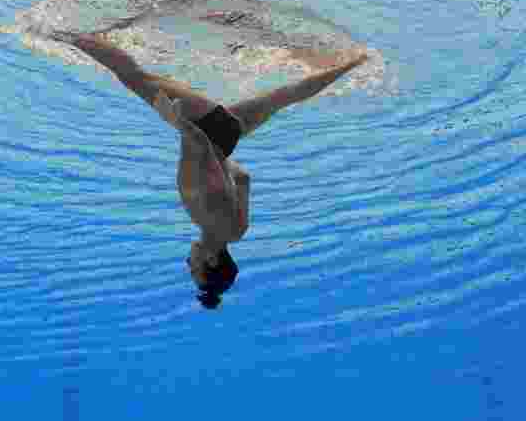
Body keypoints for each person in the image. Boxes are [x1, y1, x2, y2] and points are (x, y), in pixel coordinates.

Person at [50, 30, 369, 308]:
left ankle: (355, 62)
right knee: (133, 76)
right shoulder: (202, 209)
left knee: (283, 97)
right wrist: (177, 122)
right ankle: (67, 36)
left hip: (225, 135)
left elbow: (242, 178)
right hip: (201, 127)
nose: (188, 262)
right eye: (193, 268)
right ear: (212, 261)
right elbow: (200, 148)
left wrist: (218, 157)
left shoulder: (238, 232)